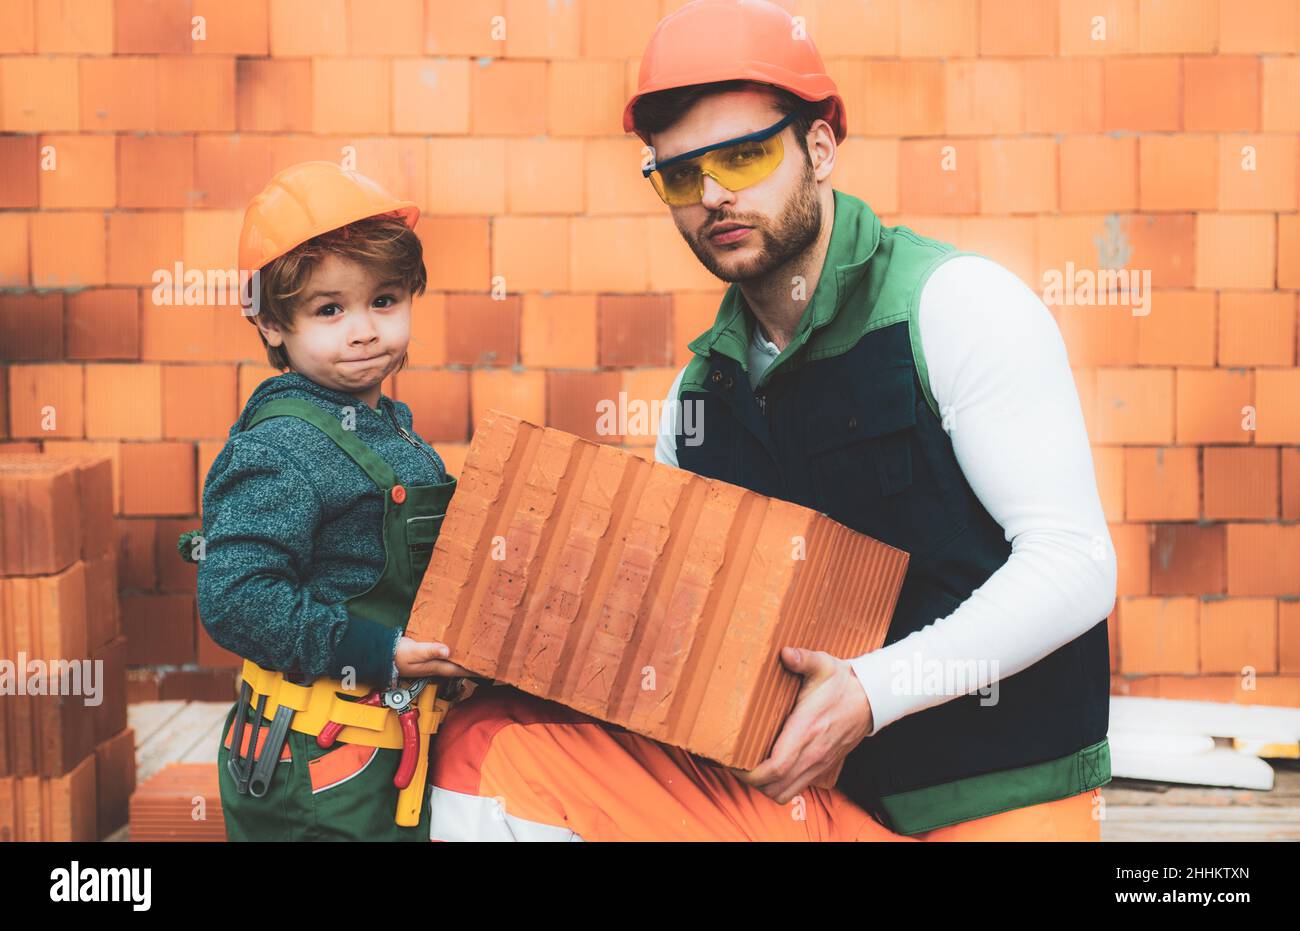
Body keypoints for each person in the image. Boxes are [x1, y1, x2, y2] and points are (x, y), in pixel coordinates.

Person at [425, 0, 1114, 841]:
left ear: (820, 145)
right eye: (681, 175)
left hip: (996, 806)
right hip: (807, 804)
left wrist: (870, 691)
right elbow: (671, 647)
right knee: (484, 746)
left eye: (745, 156)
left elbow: (1076, 565)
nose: (714, 195)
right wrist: (513, 644)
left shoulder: (956, 306)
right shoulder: (695, 402)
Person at [183, 161, 474, 841]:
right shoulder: (283, 447)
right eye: (329, 309)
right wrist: (379, 651)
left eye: (385, 300)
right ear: (272, 323)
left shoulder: (388, 426)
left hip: (384, 752)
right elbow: (236, 598)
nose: (364, 329)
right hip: (312, 769)